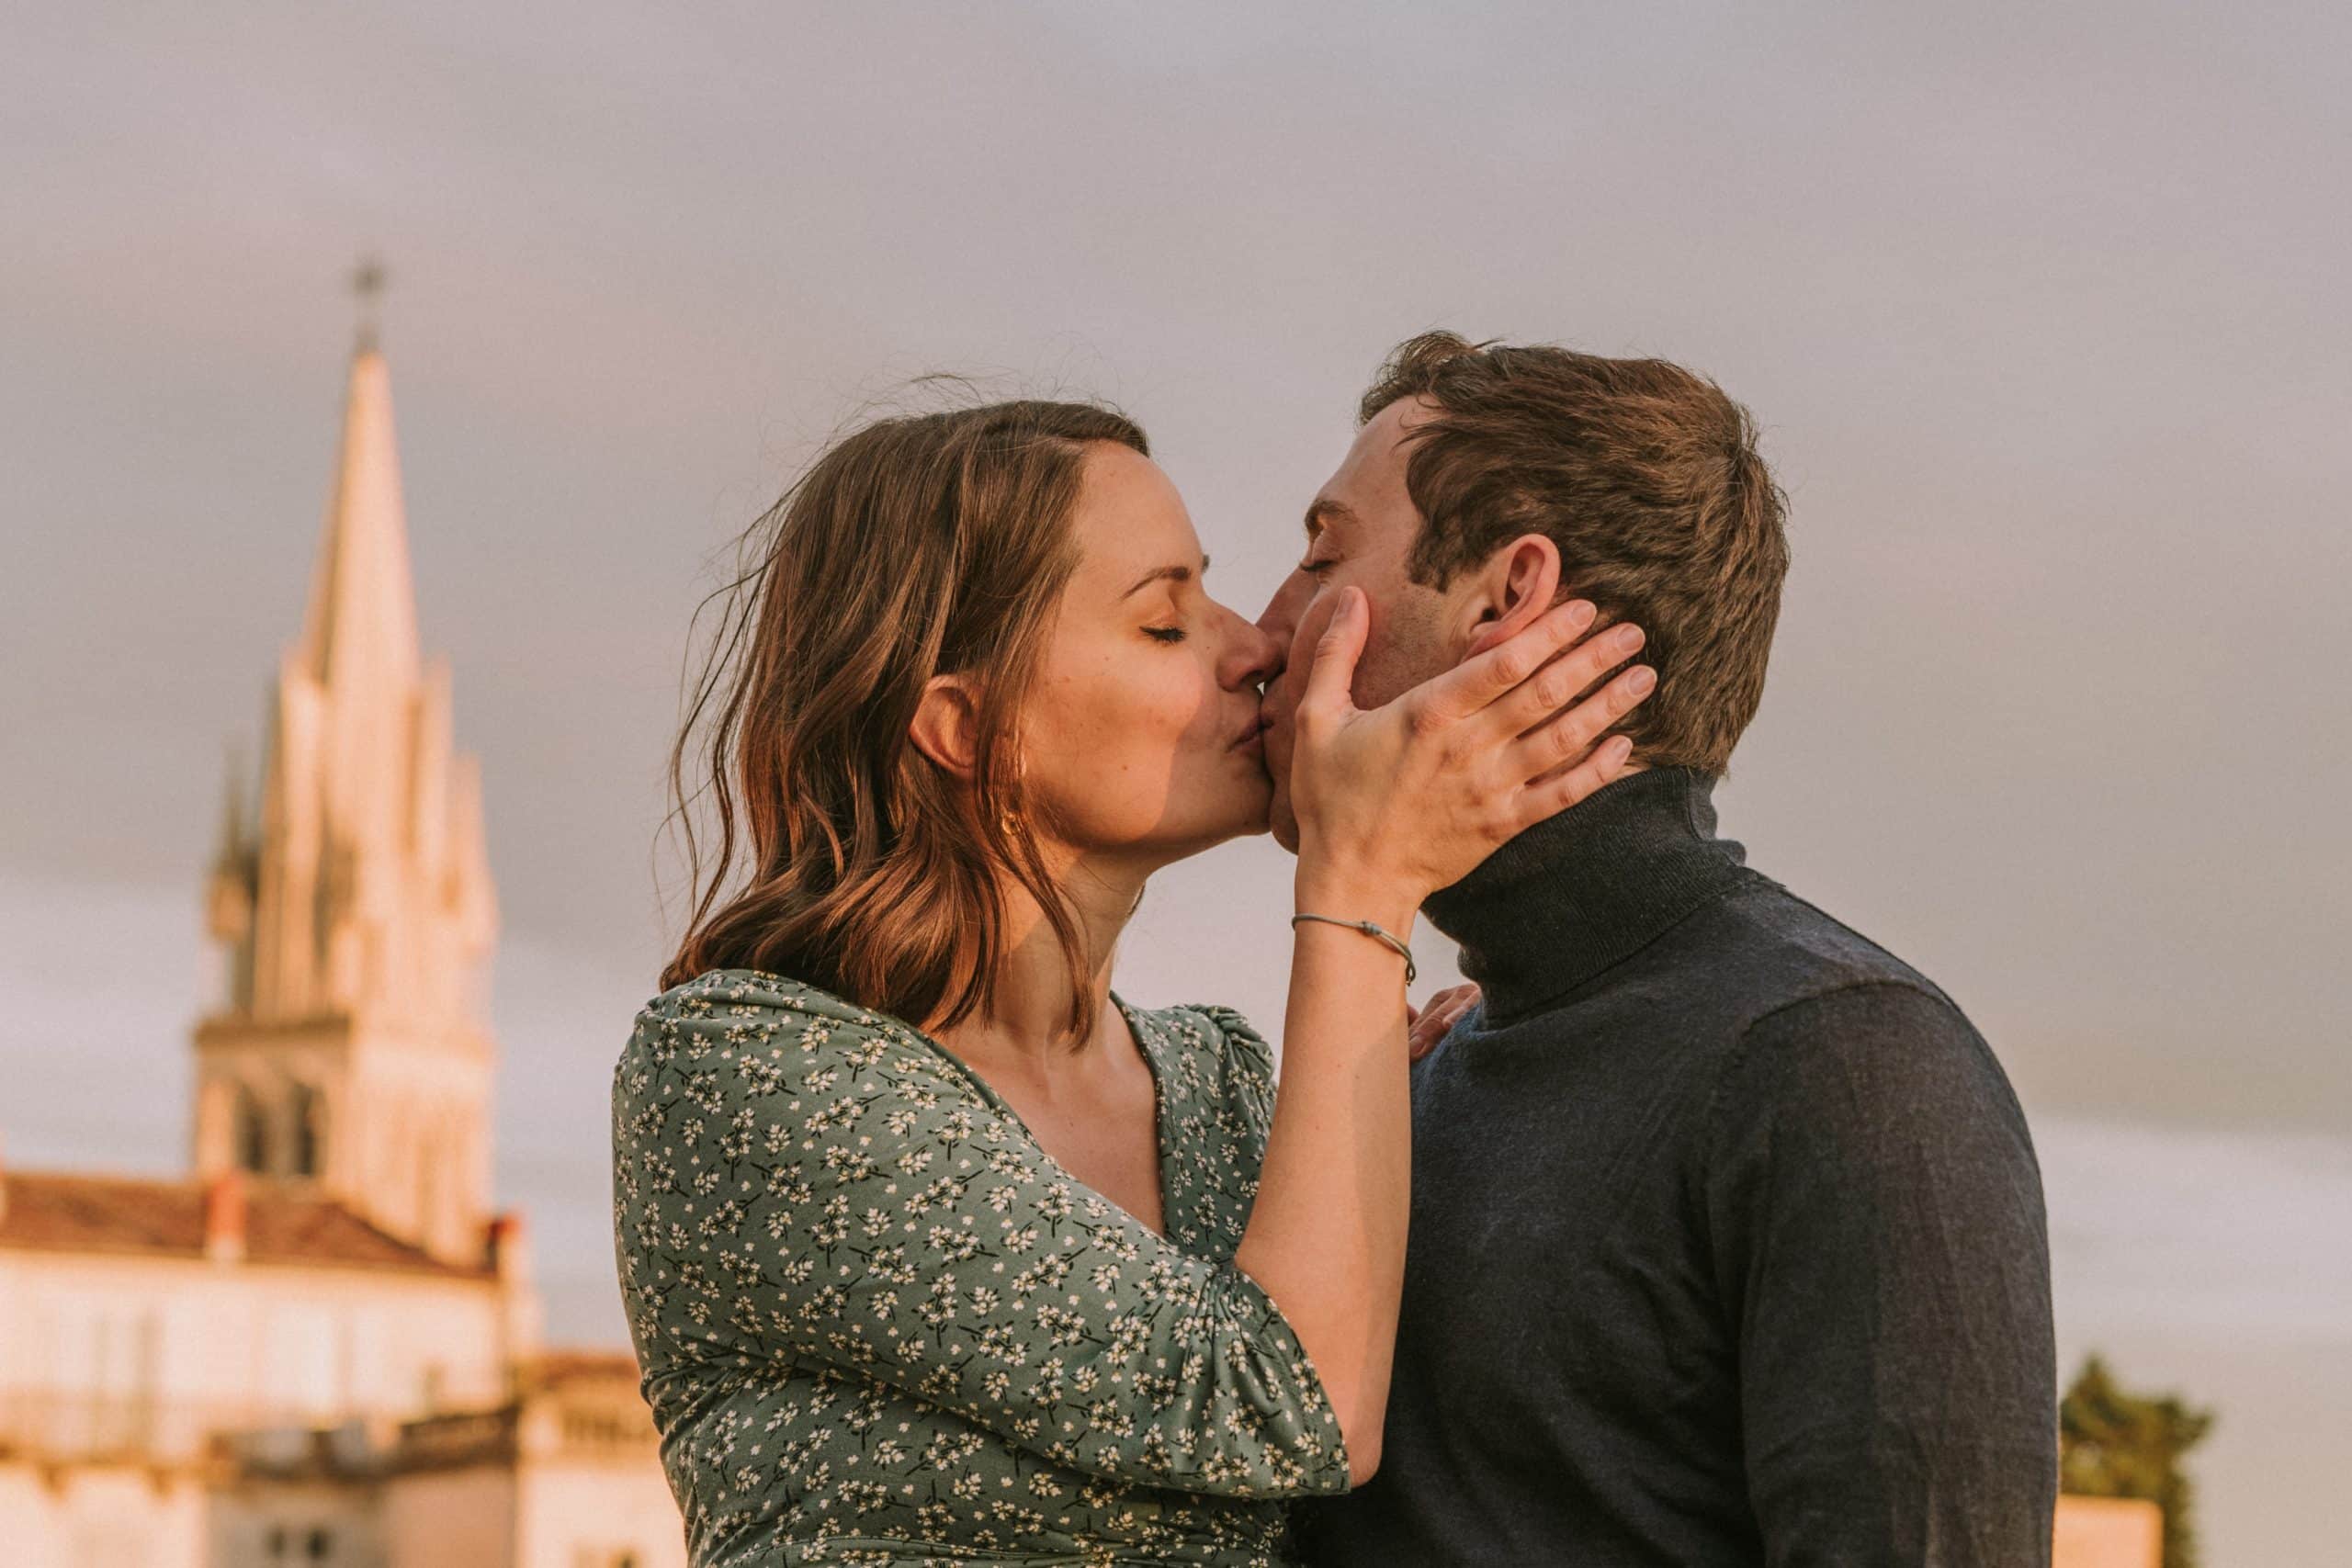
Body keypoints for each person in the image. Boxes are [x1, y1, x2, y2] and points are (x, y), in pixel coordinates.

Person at [611, 398, 1655, 1567]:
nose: (1252, 647)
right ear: (967, 726)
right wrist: (1363, 886)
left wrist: (1436, 1093)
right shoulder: (745, 1070)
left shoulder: (1218, 1082)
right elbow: (1286, 1406)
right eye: (1165, 624)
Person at [1260, 333, 2059, 1567]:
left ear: (1503, 599)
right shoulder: (1415, 1067)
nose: (1268, 627)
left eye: (1323, 556)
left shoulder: (1846, 1062)